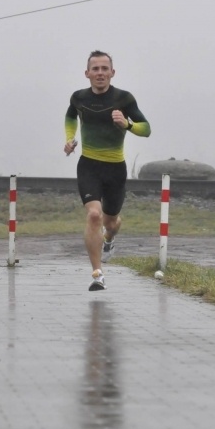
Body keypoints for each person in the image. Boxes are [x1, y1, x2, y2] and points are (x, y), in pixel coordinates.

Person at [63, 50, 151, 291]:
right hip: (89, 165)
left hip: (115, 168)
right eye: (95, 69)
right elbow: (70, 117)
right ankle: (97, 274)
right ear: (87, 73)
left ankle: (109, 238)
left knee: (110, 222)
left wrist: (128, 124)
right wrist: (70, 139)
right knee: (94, 215)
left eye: (104, 69)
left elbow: (146, 129)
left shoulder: (124, 99)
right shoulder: (78, 98)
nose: (100, 73)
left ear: (112, 73)